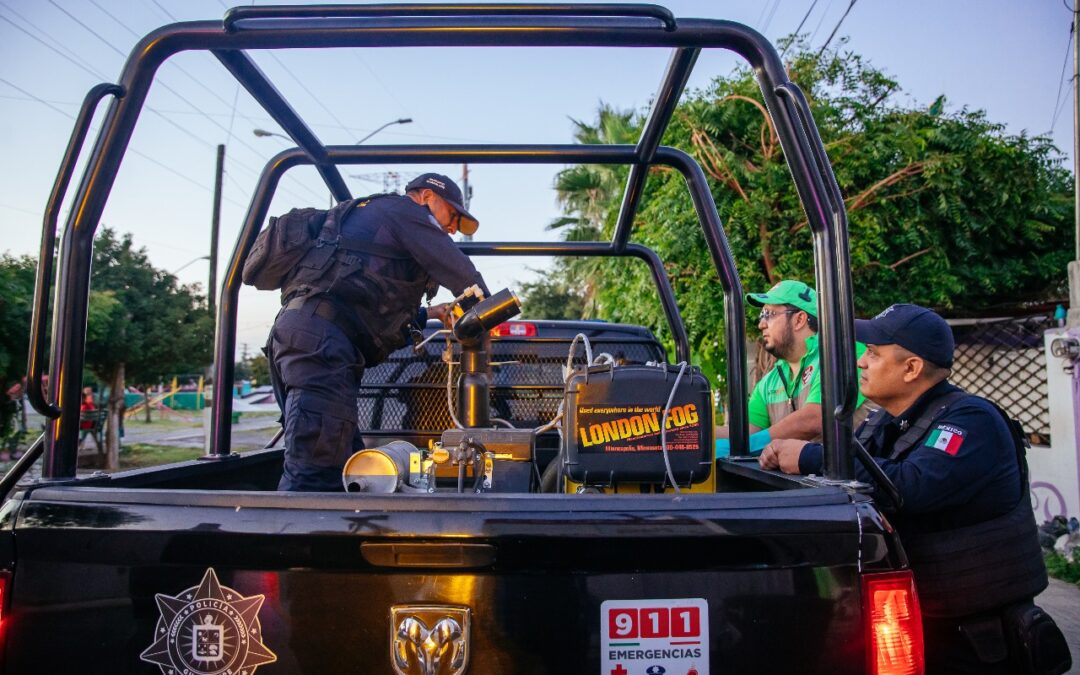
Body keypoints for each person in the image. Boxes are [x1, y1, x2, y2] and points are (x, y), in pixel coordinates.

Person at [759, 304, 1058, 674]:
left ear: (912, 368)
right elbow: (854, 480)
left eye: (873, 354)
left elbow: (909, 488)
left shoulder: (970, 420)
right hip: (922, 625)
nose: (861, 363)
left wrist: (810, 456)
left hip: (977, 641)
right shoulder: (886, 420)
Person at [268, 173, 489, 491]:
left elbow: (366, 300)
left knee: (351, 469)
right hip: (320, 346)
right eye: (452, 215)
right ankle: (290, 540)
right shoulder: (406, 212)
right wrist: (488, 313)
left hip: (305, 337)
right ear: (427, 197)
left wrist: (434, 313)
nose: (453, 228)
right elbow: (462, 273)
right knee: (313, 473)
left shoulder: (378, 222)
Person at [715, 280, 868, 456]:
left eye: (768, 314)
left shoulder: (842, 354)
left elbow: (814, 419)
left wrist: (736, 449)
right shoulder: (770, 381)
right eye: (761, 316)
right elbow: (746, 432)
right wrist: (694, 435)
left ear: (799, 319)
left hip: (858, 479)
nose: (761, 324)